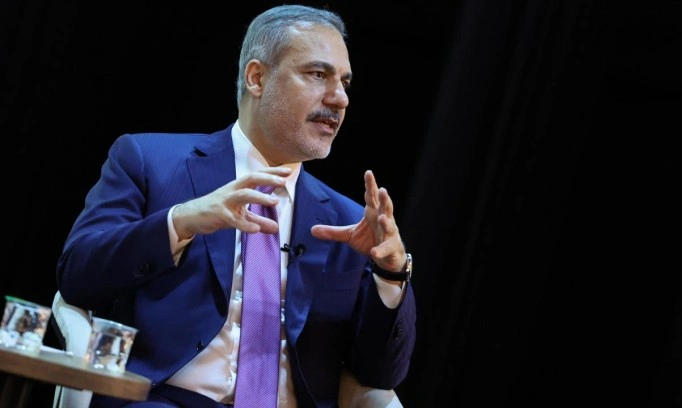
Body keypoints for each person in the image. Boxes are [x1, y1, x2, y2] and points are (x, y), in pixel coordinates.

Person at [56, 4, 416, 408]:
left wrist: (391, 273)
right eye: (318, 74)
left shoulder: (348, 222)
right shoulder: (150, 162)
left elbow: (380, 377)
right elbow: (77, 276)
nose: (340, 98)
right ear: (257, 78)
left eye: (345, 82)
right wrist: (180, 222)